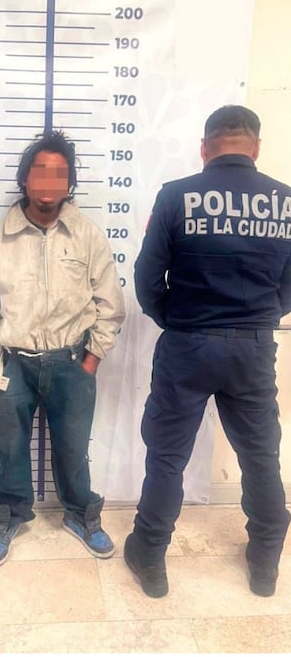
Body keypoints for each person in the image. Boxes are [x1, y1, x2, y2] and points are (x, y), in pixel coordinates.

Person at [127, 105, 291, 598]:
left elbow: (146, 278)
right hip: (252, 350)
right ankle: (265, 566)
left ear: (204, 148)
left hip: (187, 345)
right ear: (256, 147)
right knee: (260, 458)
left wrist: (177, 320)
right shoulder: (285, 202)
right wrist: (259, 318)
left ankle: (151, 559)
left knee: (167, 457)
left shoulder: (176, 196)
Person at [0, 130, 125, 567]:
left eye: (59, 173)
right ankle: (9, 515)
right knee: (10, 448)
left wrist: (92, 358)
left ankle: (80, 514)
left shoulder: (87, 236)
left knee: (74, 448)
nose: (49, 181)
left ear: (70, 182)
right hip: (13, 365)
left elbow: (110, 304)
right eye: (40, 171)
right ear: (25, 179)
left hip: (73, 363)